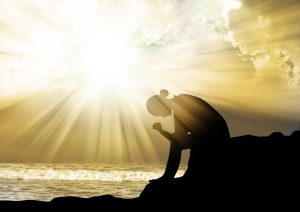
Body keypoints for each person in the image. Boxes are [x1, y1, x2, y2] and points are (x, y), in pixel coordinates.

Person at [146, 89, 230, 183]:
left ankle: (168, 177)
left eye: (159, 114)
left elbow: (177, 140)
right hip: (209, 135)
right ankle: (173, 176)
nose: (163, 117)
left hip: (215, 136)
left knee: (176, 145)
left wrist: (161, 131)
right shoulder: (180, 101)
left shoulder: (180, 106)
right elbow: (179, 138)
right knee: (180, 144)